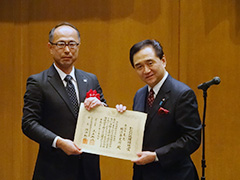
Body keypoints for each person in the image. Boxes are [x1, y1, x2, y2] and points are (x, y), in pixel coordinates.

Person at [22, 22, 106, 180]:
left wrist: (102, 107)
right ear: (50, 47)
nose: (67, 50)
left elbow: (103, 113)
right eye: (61, 44)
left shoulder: (91, 79)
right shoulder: (38, 82)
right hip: (54, 168)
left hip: (89, 169)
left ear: (79, 46)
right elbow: (29, 123)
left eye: (72, 44)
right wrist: (59, 142)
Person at [120, 39, 202, 180]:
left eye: (150, 63)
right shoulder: (139, 95)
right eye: (139, 66)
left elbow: (192, 138)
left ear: (163, 60)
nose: (146, 70)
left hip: (175, 174)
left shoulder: (182, 93)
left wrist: (156, 156)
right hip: (142, 174)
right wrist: (121, 117)